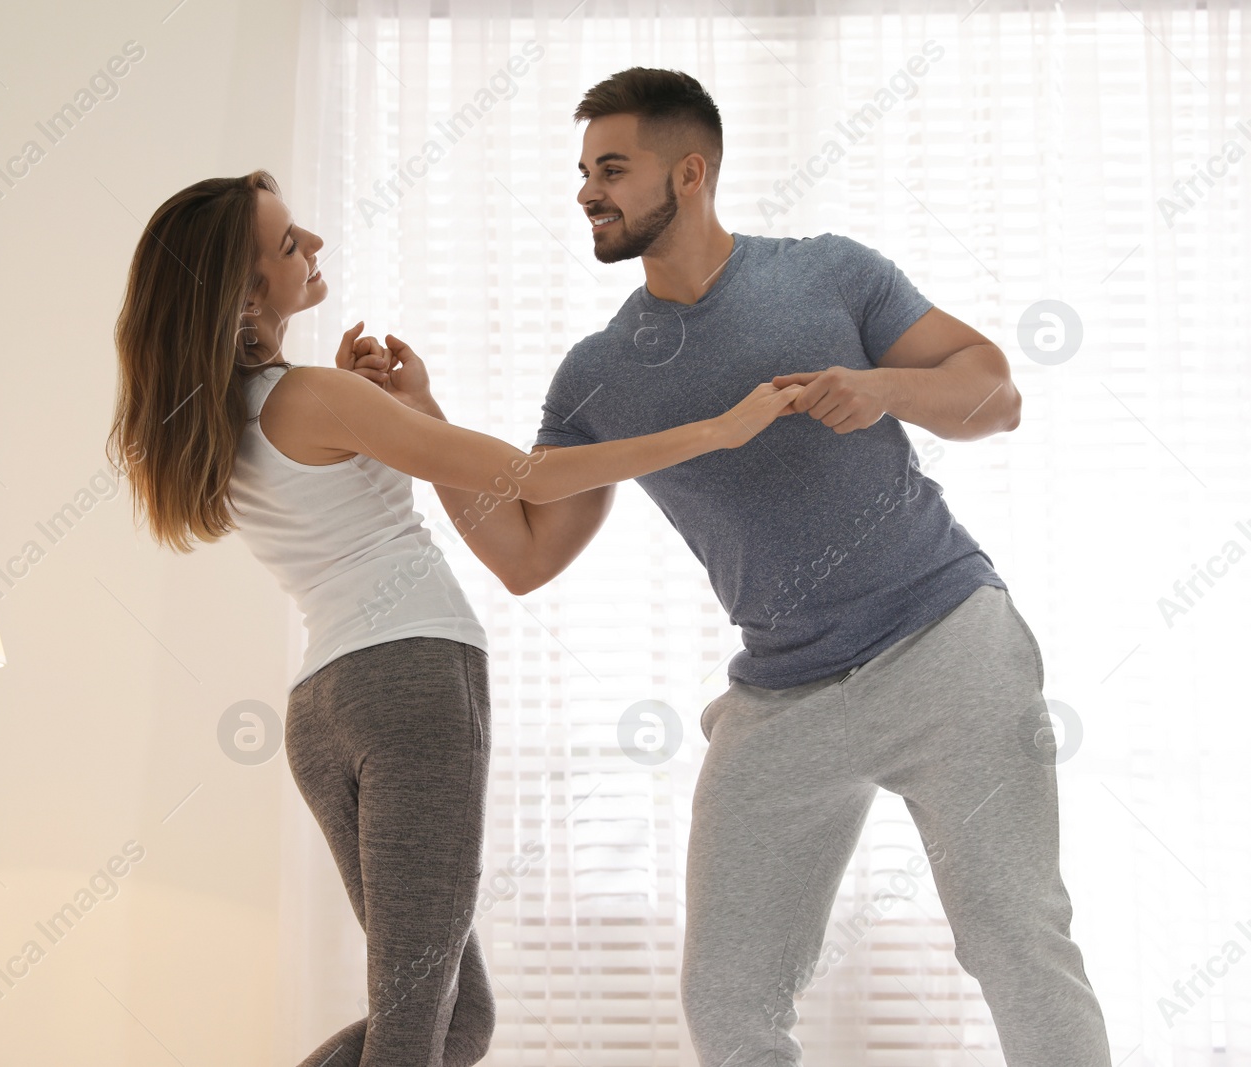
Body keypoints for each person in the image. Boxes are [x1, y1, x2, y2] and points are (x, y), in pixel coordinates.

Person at [349, 68, 1111, 1066]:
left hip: (946, 642)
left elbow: (993, 395)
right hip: (784, 694)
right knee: (726, 1000)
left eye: (612, 168)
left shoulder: (829, 273)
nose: (587, 190)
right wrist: (423, 421)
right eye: (582, 170)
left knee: (1016, 938)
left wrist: (881, 386)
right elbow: (524, 554)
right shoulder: (596, 374)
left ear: (690, 172)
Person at [105, 169, 805, 1067]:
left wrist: (401, 411)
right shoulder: (312, 396)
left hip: (323, 710)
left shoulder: (219, 422)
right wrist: (717, 427)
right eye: (288, 245)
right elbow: (531, 477)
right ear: (245, 298)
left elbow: (348, 479)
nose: (313, 245)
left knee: (452, 1019)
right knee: (412, 1029)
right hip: (409, 687)